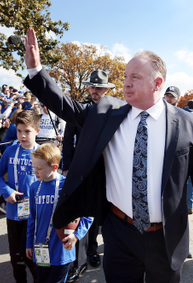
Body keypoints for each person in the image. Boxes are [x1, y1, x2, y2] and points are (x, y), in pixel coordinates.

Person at [23, 28, 193, 283]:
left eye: (134, 77)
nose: (126, 82)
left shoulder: (188, 123)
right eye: (125, 76)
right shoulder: (107, 112)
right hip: (119, 233)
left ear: (157, 83)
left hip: (167, 237)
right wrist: (37, 71)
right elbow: (66, 106)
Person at [63, 69, 114, 282]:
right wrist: (66, 166)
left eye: (99, 87)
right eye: (92, 86)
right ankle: (78, 254)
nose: (95, 90)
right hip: (80, 167)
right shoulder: (80, 109)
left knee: (97, 209)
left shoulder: (114, 110)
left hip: (104, 168)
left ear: (106, 89)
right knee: (79, 209)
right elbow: (67, 139)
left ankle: (93, 248)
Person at [26, 144, 93, 283]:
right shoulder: (34, 187)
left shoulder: (68, 186)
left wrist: (76, 236)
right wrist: (29, 243)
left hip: (62, 250)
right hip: (41, 249)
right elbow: (32, 218)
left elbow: (88, 214)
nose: (35, 172)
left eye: (39, 168)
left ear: (54, 167)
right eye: (34, 167)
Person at [0, 110, 41, 283]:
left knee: (33, 255)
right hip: (14, 212)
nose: (22, 135)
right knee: (16, 256)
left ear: (37, 131)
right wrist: (7, 191)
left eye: (27, 131)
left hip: (36, 215)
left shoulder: (43, 154)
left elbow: (53, 181)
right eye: (19, 131)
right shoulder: (10, 152)